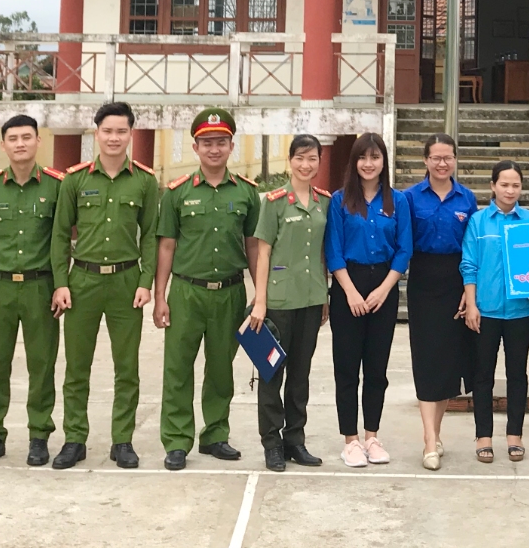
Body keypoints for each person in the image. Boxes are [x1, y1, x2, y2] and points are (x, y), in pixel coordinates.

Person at [49, 101, 158, 471]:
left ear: (131, 134)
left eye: (121, 131)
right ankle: (74, 439)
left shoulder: (145, 181)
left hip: (127, 283)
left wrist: (147, 282)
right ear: (96, 133)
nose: (114, 138)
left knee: (126, 368)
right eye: (107, 131)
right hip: (83, 282)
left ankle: (122, 440)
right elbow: (60, 235)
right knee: (77, 368)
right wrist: (61, 283)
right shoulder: (75, 180)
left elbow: (152, 237)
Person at [155, 108, 259, 471]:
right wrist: (159, 297)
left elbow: (253, 247)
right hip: (186, 292)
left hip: (230, 292)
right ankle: (177, 440)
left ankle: (215, 434)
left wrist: (260, 294)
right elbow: (166, 246)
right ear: (196, 147)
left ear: (231, 145)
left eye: (221, 142)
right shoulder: (177, 194)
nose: (214, 149)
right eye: (207, 143)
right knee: (178, 368)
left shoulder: (247, 193)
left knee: (221, 368)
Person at [0, 114, 64, 468]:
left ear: (39, 141)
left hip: (41, 286)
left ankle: (39, 435)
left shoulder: (57, 186)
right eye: (13, 138)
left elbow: (66, 238)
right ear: (3, 145)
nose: (20, 143)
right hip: (0, 288)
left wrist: (61, 284)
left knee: (42, 365)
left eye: (27, 137)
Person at [325, 132, 411, 468]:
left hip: (384, 288)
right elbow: (333, 250)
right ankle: (350, 440)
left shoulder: (397, 201)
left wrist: (384, 289)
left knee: (377, 368)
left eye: (375, 157)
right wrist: (350, 292)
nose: (369, 164)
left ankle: (372, 436)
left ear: (384, 162)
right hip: (349, 285)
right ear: (354, 162)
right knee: (346, 367)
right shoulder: (340, 200)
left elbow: (404, 250)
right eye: (363, 157)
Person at [248, 134, 332, 472]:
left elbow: (324, 253)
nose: (306, 164)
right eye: (300, 158)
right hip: (278, 300)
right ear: (290, 160)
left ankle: (295, 440)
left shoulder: (324, 201)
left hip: (311, 298)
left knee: (301, 374)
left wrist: (325, 296)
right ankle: (272, 443)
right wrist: (260, 300)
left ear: (319, 162)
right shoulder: (274, 201)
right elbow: (262, 252)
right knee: (271, 373)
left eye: (312, 158)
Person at [403, 133, 478, 470]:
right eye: (436, 157)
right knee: (426, 358)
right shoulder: (409, 198)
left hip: (456, 281)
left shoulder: (467, 198)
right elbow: (404, 243)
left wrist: (468, 289)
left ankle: (436, 431)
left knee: (449, 361)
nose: (442, 163)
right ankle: (429, 441)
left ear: (455, 160)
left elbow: (472, 248)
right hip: (422, 281)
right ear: (426, 161)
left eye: (448, 157)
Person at [460, 161, 529, 463]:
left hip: (520, 313)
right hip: (486, 312)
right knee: (483, 377)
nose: (510, 190)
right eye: (504, 184)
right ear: (493, 186)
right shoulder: (478, 222)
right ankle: (483, 436)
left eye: (515, 185)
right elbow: (469, 265)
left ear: (521, 188)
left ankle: (514, 435)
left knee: (517, 375)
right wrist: (471, 304)